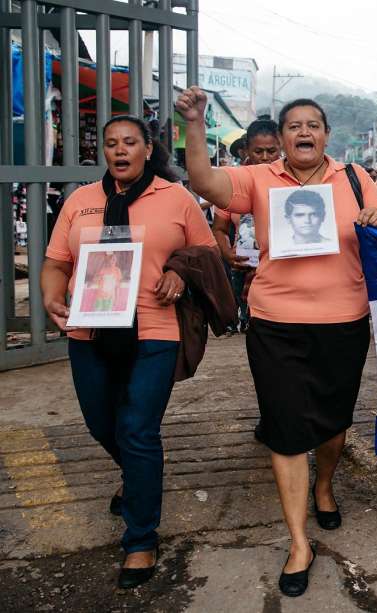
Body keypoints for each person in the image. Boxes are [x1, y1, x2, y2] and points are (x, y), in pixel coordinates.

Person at [175, 87, 377, 598]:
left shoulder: (353, 177)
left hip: (344, 320)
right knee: (284, 427)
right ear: (281, 138)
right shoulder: (259, 179)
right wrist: (194, 122)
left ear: (326, 135)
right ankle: (299, 541)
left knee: (332, 425)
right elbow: (205, 182)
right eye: (294, 126)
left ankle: (324, 484)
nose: (305, 132)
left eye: (313, 125)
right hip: (275, 322)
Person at [41, 115, 218, 588]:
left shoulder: (175, 198)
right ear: (104, 152)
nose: (120, 151)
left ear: (147, 149)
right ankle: (138, 478)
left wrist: (179, 273)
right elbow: (57, 262)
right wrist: (50, 297)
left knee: (138, 430)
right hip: (89, 331)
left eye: (130, 143)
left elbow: (206, 252)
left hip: (155, 329)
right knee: (102, 423)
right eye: (112, 144)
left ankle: (140, 539)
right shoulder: (80, 202)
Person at [213, 119, 283, 334]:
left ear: (281, 146)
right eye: (258, 151)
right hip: (243, 266)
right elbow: (219, 228)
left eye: (271, 151)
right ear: (246, 150)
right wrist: (227, 252)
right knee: (252, 328)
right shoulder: (232, 183)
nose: (264, 157)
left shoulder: (294, 181)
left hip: (281, 268)